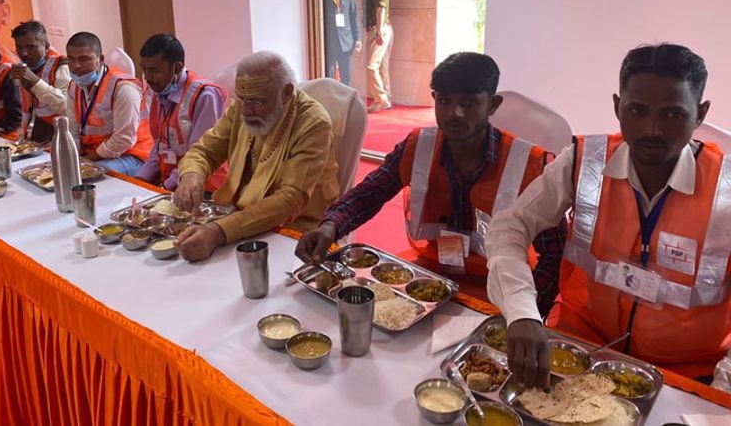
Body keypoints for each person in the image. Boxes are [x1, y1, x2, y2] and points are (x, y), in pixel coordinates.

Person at [486, 43, 728, 387]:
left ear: (700, 113)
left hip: (685, 374)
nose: (651, 130)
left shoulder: (727, 193)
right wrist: (522, 311)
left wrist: (719, 397)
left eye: (672, 115)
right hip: (580, 350)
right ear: (618, 106)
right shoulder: (584, 160)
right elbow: (509, 226)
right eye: (637, 110)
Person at [296, 52, 567, 314]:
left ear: (493, 105)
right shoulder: (419, 146)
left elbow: (554, 256)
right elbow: (368, 194)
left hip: (502, 287)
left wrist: (525, 313)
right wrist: (330, 227)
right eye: (445, 100)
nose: (455, 113)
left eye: (469, 102)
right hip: (429, 275)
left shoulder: (532, 166)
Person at [173, 51, 339, 263]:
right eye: (240, 99)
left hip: (294, 231)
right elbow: (205, 150)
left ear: (286, 93)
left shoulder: (313, 123)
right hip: (236, 217)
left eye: (256, 102)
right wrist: (191, 175)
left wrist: (219, 232)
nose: (245, 111)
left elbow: (289, 200)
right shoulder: (241, 108)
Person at [136, 34, 224, 190]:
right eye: (144, 70)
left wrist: (166, 187)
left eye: (154, 70)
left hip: (203, 185)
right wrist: (140, 181)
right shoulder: (159, 90)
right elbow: (158, 147)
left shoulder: (204, 96)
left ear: (176, 67)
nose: (148, 78)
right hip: (172, 181)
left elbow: (197, 155)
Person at [65, 31, 153, 176]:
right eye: (71, 59)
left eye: (84, 59)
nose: (76, 66)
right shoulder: (74, 86)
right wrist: (73, 159)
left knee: (85, 176)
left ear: (100, 59)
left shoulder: (123, 88)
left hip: (133, 155)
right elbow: (73, 129)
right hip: (96, 155)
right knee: (63, 170)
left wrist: (86, 161)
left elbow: (123, 140)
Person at [9, 20, 69, 143]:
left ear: (46, 46)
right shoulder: (23, 67)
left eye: (31, 47)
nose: (24, 53)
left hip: (61, 137)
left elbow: (66, 107)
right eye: (19, 47)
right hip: (33, 136)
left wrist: (36, 82)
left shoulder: (61, 66)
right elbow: (26, 109)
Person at [359, 0, 392, 113]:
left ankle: (381, 98)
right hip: (381, 28)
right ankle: (385, 96)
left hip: (379, 29)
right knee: (381, 65)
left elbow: (380, 8)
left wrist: (378, 31)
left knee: (371, 66)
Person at [322, 0, 360, 86]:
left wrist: (358, 38)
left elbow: (353, 15)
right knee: (329, 75)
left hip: (346, 41)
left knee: (346, 75)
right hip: (329, 42)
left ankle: (346, 100)